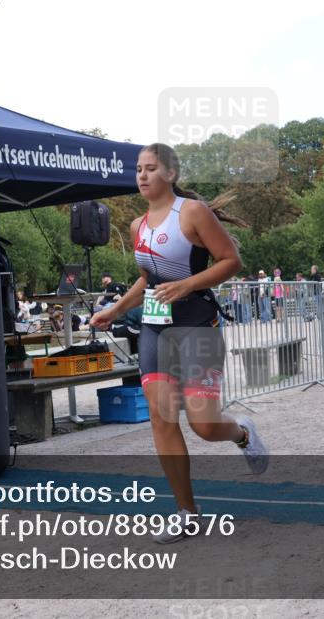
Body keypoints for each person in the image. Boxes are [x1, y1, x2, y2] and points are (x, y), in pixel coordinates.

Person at [89, 142, 268, 545]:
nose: (142, 175)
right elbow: (148, 281)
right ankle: (187, 512)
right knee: (161, 417)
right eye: (138, 169)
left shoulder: (192, 213)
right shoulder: (137, 226)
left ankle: (241, 433)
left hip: (196, 325)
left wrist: (188, 284)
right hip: (154, 330)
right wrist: (115, 310)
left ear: (170, 173)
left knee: (203, 425)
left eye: (150, 168)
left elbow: (230, 260)